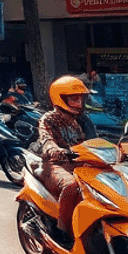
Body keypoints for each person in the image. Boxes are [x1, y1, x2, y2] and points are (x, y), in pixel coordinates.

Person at [37, 76, 97, 243]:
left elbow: (95, 140)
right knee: (72, 185)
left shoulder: (83, 119)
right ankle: (61, 230)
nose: (79, 102)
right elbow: (47, 141)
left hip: (82, 162)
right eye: (74, 98)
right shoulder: (48, 119)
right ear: (60, 98)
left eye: (80, 98)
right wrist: (57, 151)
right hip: (56, 164)